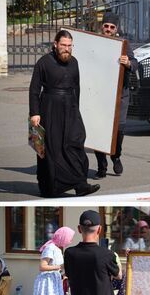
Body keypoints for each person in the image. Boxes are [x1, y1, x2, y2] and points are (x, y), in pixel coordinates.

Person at [29, 30, 100, 198]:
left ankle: (80, 184)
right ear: (55, 44)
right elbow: (34, 89)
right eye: (63, 45)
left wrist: (76, 109)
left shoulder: (74, 62)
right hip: (50, 107)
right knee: (52, 150)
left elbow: (77, 87)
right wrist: (34, 112)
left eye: (69, 46)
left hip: (70, 107)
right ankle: (50, 188)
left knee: (75, 143)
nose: (66, 49)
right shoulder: (44, 63)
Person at [93, 12, 138, 179]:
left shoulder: (123, 44)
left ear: (116, 29)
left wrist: (128, 63)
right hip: (99, 96)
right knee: (99, 132)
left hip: (120, 96)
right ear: (101, 26)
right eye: (106, 26)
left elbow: (135, 63)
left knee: (118, 131)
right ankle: (101, 167)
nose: (108, 29)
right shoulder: (94, 42)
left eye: (112, 27)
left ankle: (116, 156)